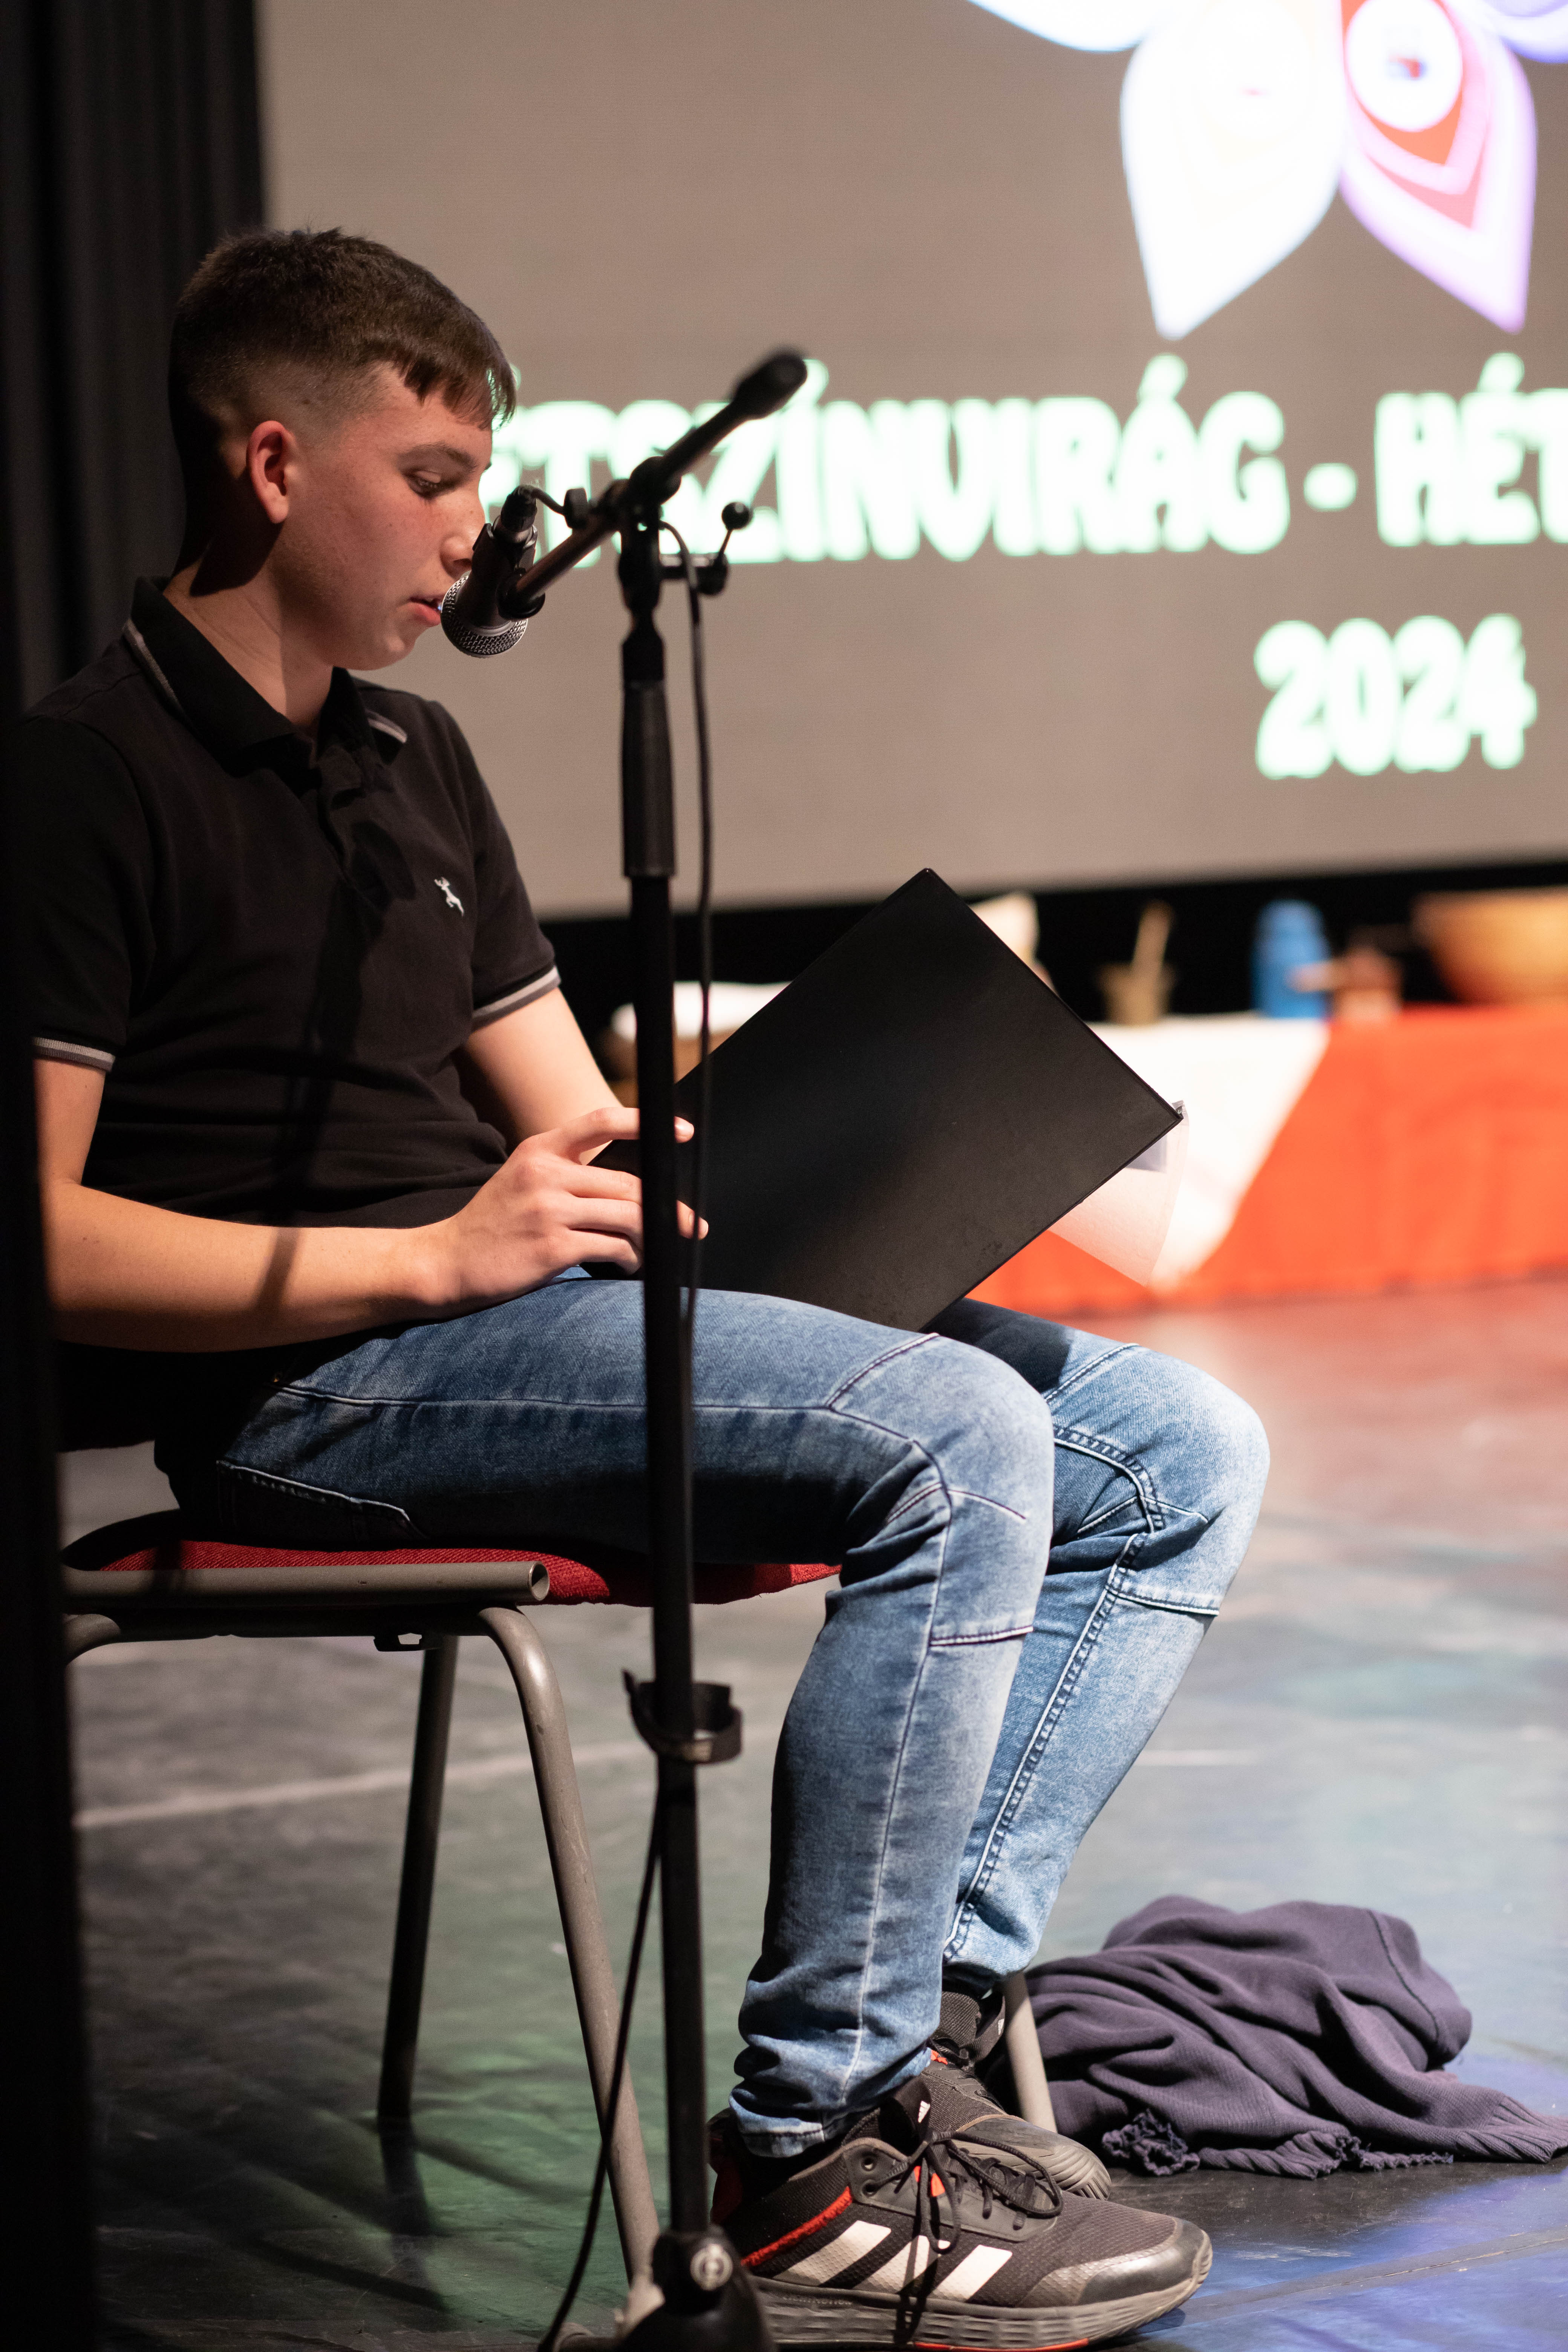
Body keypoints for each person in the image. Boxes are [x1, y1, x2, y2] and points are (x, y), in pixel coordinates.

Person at [17, 229, 1268, 2347]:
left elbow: (577, 1124)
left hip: (525, 1318)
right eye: (429, 478)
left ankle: (923, 2034)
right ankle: (810, 2154)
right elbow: (43, 1232)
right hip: (321, 1382)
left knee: (1176, 1445)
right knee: (962, 1437)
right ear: (271, 465)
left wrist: (835, 1143)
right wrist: (436, 1255)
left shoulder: (415, 760)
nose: (470, 531)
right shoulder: (83, 776)